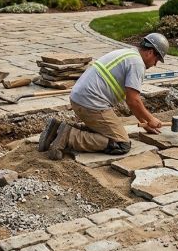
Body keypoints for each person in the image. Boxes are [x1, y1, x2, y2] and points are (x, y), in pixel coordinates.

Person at [37, 33, 169, 160]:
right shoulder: (137, 64)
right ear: (150, 52)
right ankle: (68, 136)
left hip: (79, 99)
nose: (155, 64)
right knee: (120, 143)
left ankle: (58, 128)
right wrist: (151, 119)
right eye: (157, 59)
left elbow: (132, 101)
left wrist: (144, 122)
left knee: (104, 132)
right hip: (92, 104)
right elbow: (133, 100)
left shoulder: (128, 54)